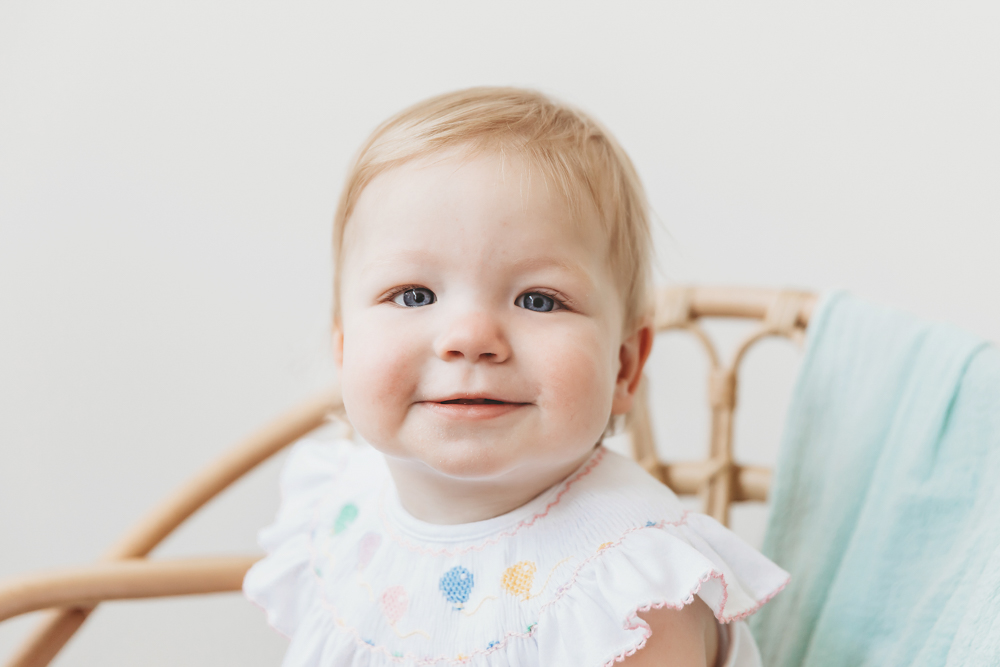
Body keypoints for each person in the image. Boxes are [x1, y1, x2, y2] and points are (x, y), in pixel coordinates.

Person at [243, 87, 788, 666]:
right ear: (345, 349)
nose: (471, 336)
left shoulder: (624, 590)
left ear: (625, 366)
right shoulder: (343, 512)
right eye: (414, 294)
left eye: (539, 301)